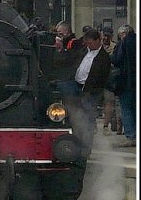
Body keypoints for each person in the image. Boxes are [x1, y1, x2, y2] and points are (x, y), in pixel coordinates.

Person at [58, 28, 111, 156]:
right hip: (75, 84)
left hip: (90, 91)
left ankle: (86, 147)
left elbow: (102, 79)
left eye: (91, 43)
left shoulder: (104, 58)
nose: (88, 45)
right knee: (61, 89)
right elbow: (69, 61)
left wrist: (91, 92)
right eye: (87, 42)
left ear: (98, 41)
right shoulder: (82, 51)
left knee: (87, 118)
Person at [112, 24, 136, 148]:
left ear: (123, 34)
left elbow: (117, 60)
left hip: (126, 81)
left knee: (126, 109)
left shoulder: (123, 43)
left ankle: (131, 136)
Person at [51, 20, 84, 86]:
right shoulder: (66, 43)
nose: (58, 35)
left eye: (60, 33)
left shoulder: (74, 43)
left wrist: (60, 50)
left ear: (66, 31)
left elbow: (69, 60)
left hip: (69, 78)